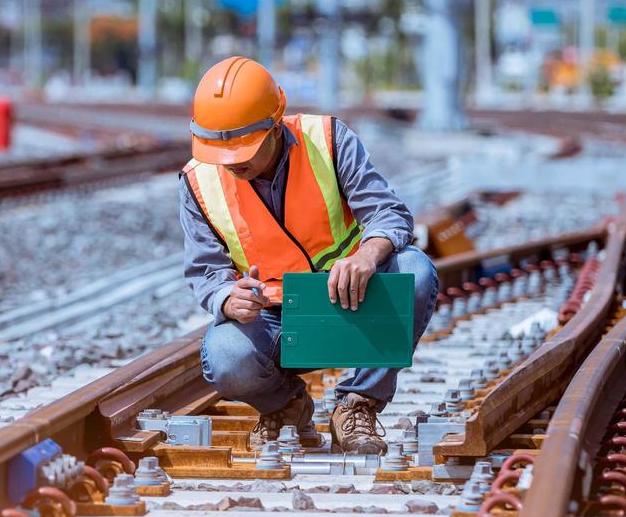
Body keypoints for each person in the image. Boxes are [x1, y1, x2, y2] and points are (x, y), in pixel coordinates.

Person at [179, 56, 438, 454]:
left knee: (415, 271)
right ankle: (287, 407)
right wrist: (227, 299)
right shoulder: (198, 179)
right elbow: (205, 270)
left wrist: (368, 255)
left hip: (353, 302)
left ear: (275, 122)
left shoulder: (329, 140)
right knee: (225, 355)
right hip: (273, 319)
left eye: (244, 149)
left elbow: (389, 213)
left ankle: (357, 405)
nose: (233, 163)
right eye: (222, 153)